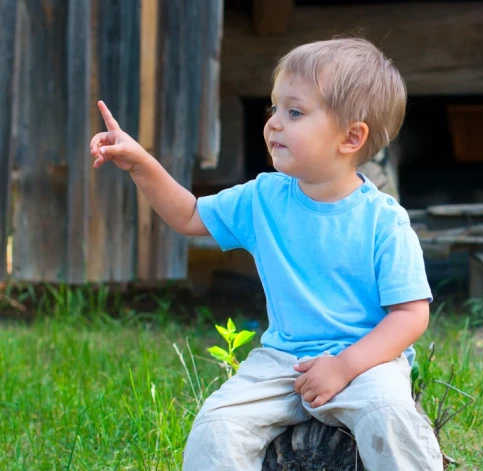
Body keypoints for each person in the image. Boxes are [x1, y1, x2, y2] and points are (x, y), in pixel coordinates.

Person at [90, 37, 443, 471]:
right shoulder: (263, 198)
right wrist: (140, 163)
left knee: (389, 419)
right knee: (217, 426)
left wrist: (344, 366)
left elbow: (411, 315)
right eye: (274, 108)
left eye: (294, 112)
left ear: (351, 137)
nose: (274, 123)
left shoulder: (384, 221)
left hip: (365, 360)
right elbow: (189, 215)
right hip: (282, 361)